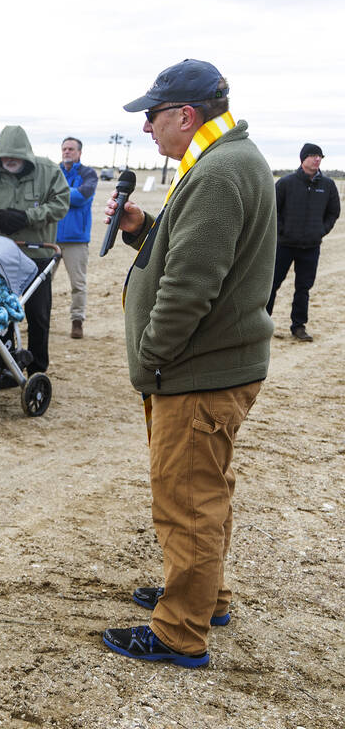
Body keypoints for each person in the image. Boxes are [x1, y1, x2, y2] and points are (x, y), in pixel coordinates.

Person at [102, 59, 275, 668]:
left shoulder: (217, 171)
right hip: (213, 366)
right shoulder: (223, 161)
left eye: (152, 116)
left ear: (184, 115)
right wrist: (143, 226)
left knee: (187, 500)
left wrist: (150, 357)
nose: (147, 128)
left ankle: (181, 629)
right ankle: (205, 596)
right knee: (208, 490)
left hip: (197, 371)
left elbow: (190, 286)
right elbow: (195, 250)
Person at [0, 125, 68, 374]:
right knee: (0, 313)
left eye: (15, 156)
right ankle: (4, 363)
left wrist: (28, 217)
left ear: (26, 155)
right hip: (0, 257)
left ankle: (37, 369)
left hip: (38, 256)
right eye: (4, 155)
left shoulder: (50, 171)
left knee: (38, 315)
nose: (9, 160)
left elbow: (61, 204)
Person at [266, 143, 339, 341]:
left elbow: (333, 212)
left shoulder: (327, 185)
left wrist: (320, 231)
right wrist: (282, 231)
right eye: (313, 155)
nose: (317, 159)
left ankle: (298, 327)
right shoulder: (286, 183)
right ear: (303, 159)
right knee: (271, 285)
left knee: (303, 288)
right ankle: (262, 325)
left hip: (311, 247)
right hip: (284, 245)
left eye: (320, 156)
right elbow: (272, 210)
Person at [57, 137, 98, 339]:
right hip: (52, 239)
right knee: (40, 283)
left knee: (78, 284)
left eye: (71, 149)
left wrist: (57, 195)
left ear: (79, 152)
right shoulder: (55, 172)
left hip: (77, 239)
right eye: (64, 149)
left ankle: (77, 321)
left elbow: (82, 197)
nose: (67, 152)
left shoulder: (88, 173)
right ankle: (39, 320)